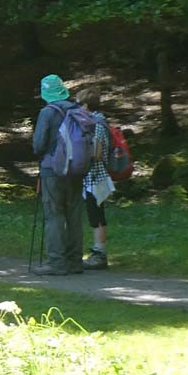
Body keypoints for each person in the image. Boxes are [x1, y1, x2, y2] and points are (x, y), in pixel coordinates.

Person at [32, 73, 85, 275]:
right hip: (77, 169)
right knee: (74, 214)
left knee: (54, 215)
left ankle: (56, 262)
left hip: (52, 170)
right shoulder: (77, 110)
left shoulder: (47, 112)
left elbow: (38, 144)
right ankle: (75, 261)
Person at [74, 85, 113, 270]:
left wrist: (80, 154)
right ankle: (99, 251)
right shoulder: (100, 121)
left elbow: (96, 152)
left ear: (86, 105)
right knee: (96, 214)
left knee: (96, 216)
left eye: (79, 104)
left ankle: (100, 254)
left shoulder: (96, 123)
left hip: (95, 177)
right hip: (96, 176)